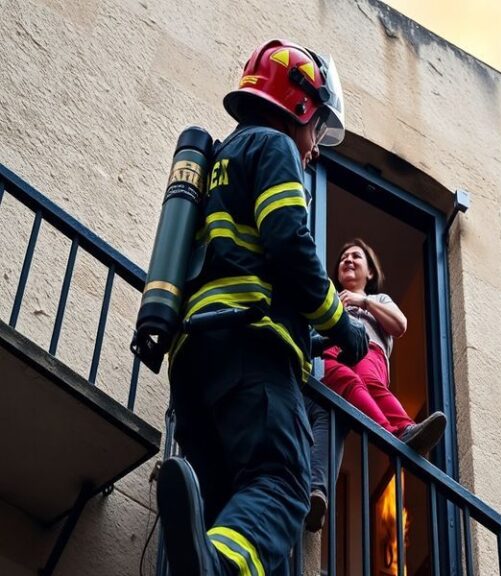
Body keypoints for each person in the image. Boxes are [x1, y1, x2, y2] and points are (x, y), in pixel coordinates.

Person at [155, 39, 368, 576]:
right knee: (284, 481)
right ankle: (221, 568)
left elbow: (235, 259)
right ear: (298, 108)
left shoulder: (218, 161)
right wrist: (341, 324)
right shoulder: (272, 147)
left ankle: (207, 557)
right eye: (318, 128)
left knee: (228, 500)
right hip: (250, 352)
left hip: (194, 364)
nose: (315, 147)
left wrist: (310, 336)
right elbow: (288, 243)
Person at [304, 239, 447, 531]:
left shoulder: (379, 300)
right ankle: (398, 434)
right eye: (343, 257)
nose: (348, 260)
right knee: (343, 380)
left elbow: (400, 325)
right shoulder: (330, 298)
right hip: (331, 352)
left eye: (357, 256)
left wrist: (364, 302)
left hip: (370, 352)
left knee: (367, 382)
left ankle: (405, 430)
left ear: (370, 272)